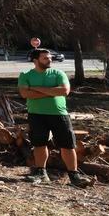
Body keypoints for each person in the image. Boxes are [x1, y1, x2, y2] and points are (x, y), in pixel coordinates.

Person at [18, 48, 93, 188]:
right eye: (45, 58)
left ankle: (74, 176)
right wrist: (52, 92)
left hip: (59, 114)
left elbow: (64, 91)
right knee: (39, 143)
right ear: (36, 60)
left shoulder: (58, 73)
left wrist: (35, 88)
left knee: (67, 145)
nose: (49, 60)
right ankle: (41, 173)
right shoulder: (25, 75)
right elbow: (24, 94)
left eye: (50, 57)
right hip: (36, 115)